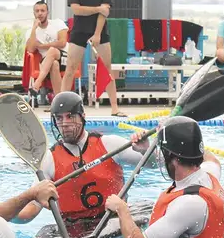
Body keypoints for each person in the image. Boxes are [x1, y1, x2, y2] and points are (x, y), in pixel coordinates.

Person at [104, 116, 224, 238]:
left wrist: (121, 208)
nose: (160, 156)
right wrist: (149, 148)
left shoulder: (190, 203)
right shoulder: (210, 174)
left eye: (162, 152)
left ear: (173, 159)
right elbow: (213, 160)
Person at [14, 92, 148, 224]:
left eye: (70, 116)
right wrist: (2, 214)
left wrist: (145, 150)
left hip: (114, 223)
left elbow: (152, 164)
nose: (65, 124)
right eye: (59, 118)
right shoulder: (48, 160)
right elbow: (30, 211)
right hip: (73, 231)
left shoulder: (109, 144)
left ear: (83, 117)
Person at [61, 0, 125, 117]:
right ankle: (60, 106)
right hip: (79, 30)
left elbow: (105, 12)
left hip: (100, 30)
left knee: (107, 68)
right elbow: (76, 10)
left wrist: (97, 34)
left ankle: (115, 108)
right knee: (70, 69)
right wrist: (97, 9)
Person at [26, 0, 69, 105]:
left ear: (47, 12)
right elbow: (31, 49)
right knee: (54, 64)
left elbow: (62, 42)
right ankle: (58, 104)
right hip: (47, 63)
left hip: (65, 58)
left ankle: (36, 85)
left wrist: (42, 46)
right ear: (34, 14)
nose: (40, 13)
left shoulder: (57, 23)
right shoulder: (31, 31)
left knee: (52, 50)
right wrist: (34, 29)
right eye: (37, 11)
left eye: (42, 10)